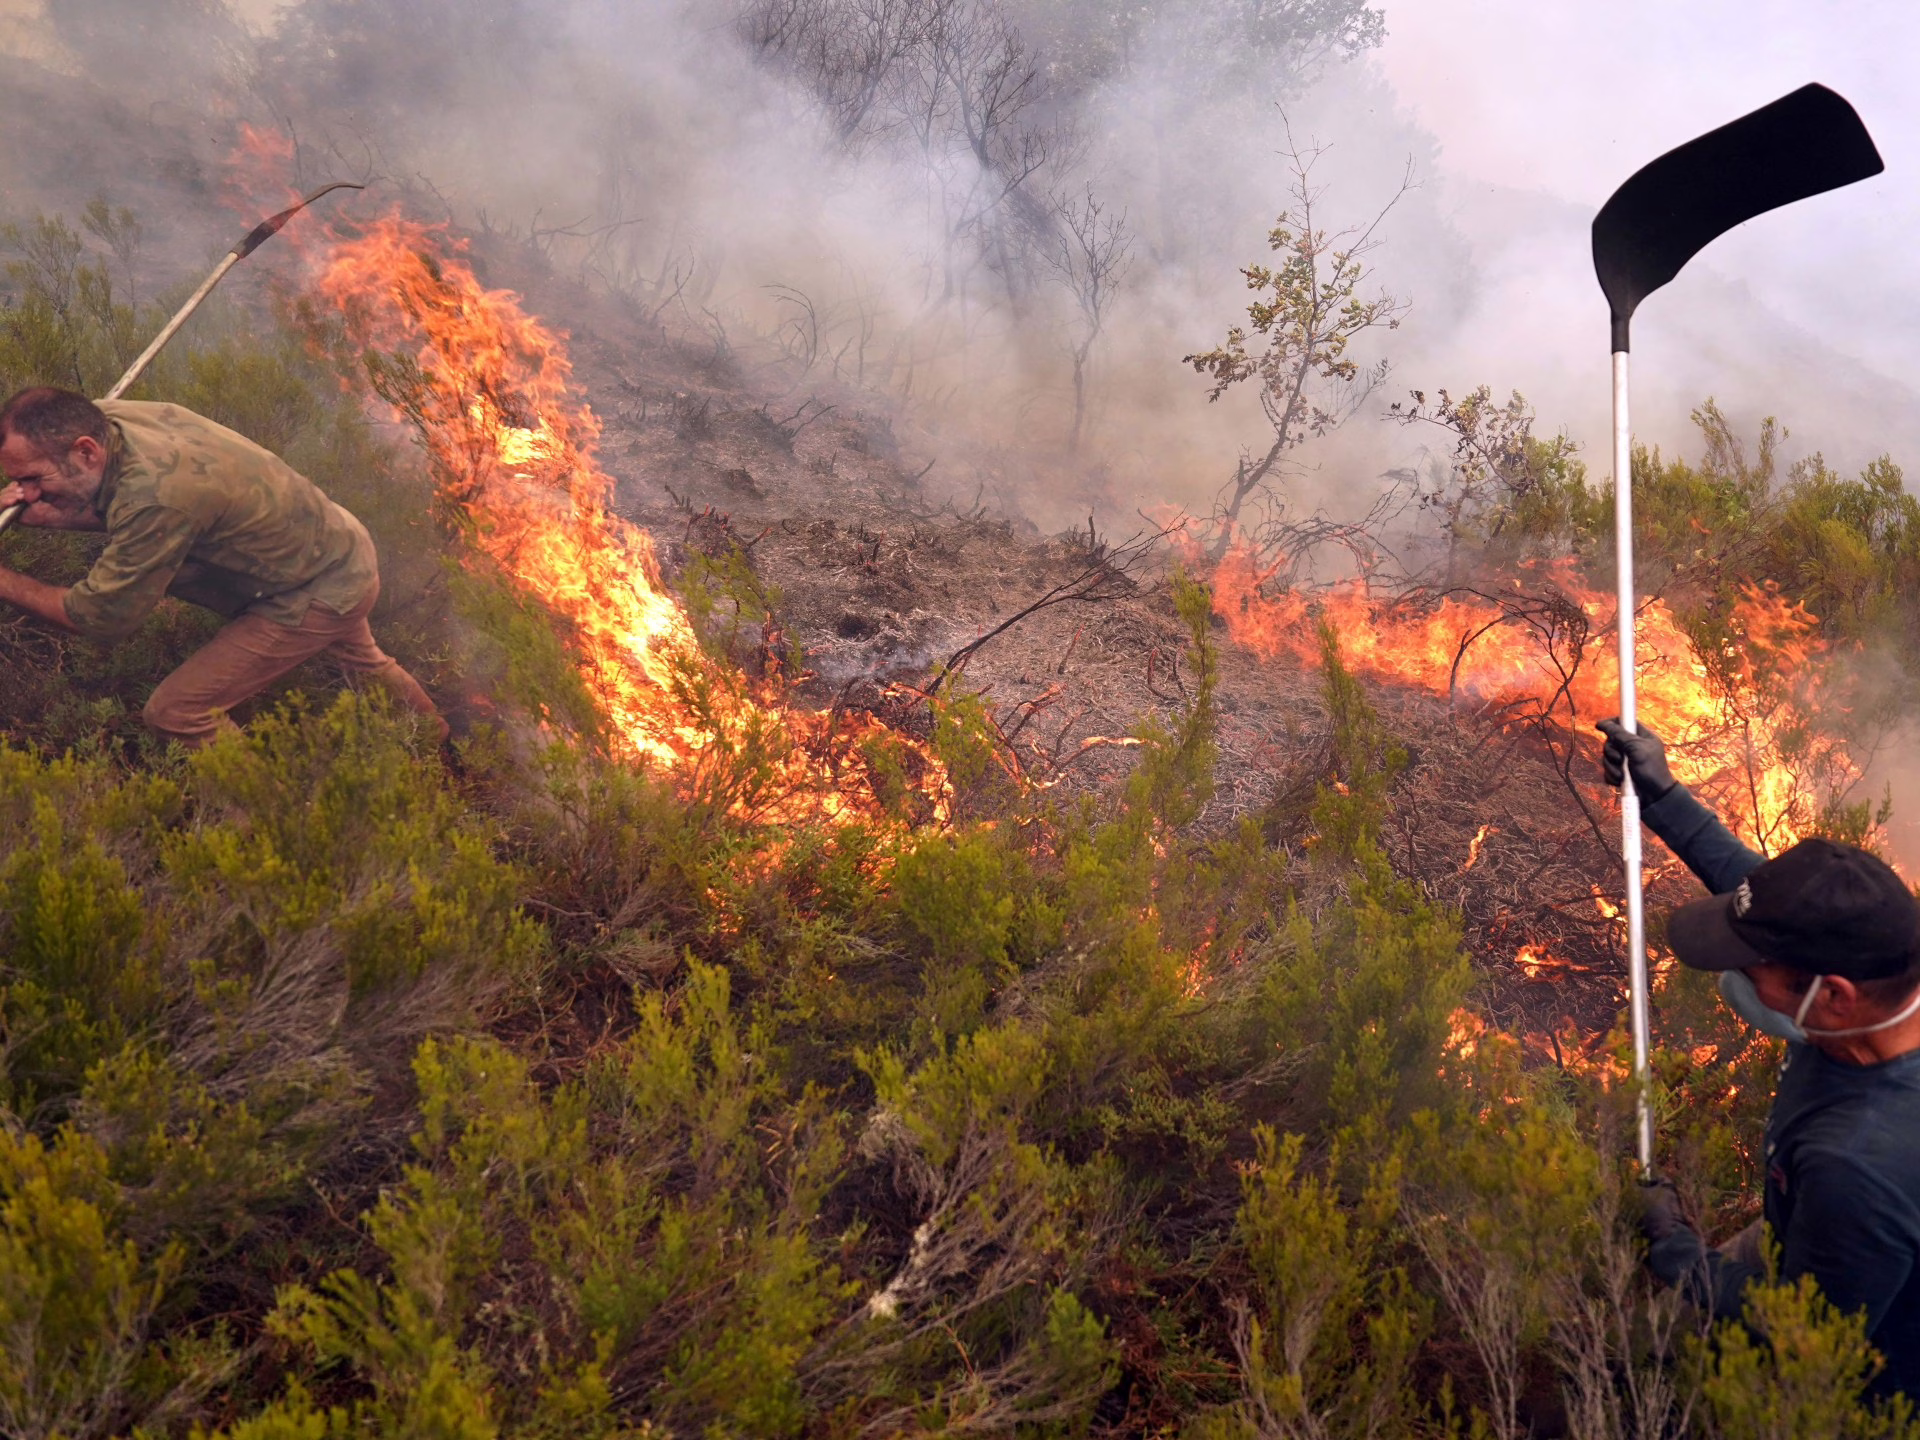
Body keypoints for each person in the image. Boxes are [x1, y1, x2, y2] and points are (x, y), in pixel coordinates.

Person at [1600, 717, 1920, 1397]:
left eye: (1756, 967)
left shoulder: (1856, 1165)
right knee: (1647, 1349)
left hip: (1856, 1368)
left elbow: (1805, 1327)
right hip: (1807, 1231)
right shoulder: (1884, 985)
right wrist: (1662, 796)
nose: (1740, 974)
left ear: (1831, 995)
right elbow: (1785, 908)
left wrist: (1675, 1249)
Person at [0, 386, 446, 747]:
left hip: (314, 591)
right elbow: (129, 502)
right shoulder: (111, 419)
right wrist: (57, 511)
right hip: (335, 546)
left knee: (177, 713)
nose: (27, 494)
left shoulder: (158, 498)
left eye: (34, 479)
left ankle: (262, 825)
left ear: (85, 451)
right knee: (362, 658)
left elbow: (97, 616)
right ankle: (444, 750)